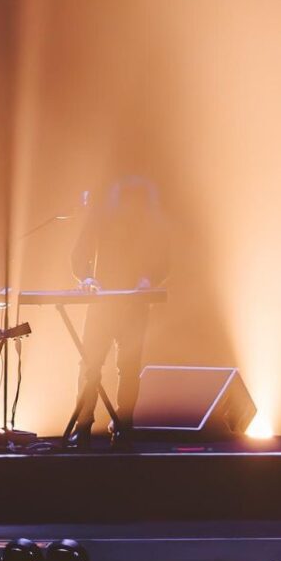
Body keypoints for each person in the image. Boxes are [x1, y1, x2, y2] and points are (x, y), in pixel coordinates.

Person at [66, 176, 170, 450]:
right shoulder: (100, 219)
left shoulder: (151, 224)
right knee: (90, 366)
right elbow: (79, 255)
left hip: (134, 306)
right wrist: (87, 279)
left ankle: (124, 426)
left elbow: (165, 260)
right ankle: (84, 425)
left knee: (129, 367)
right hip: (103, 306)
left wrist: (149, 279)